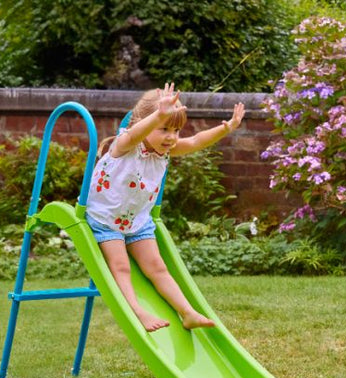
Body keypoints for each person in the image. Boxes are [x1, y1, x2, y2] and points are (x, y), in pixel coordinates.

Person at [85, 83, 245, 332]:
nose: (171, 137)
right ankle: (137, 311)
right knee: (120, 266)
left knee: (158, 267)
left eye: (176, 130)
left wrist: (227, 128)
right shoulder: (126, 144)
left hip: (137, 221)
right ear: (146, 122)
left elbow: (194, 141)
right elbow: (136, 134)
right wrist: (158, 114)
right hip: (105, 220)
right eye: (164, 129)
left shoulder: (164, 152)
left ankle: (187, 312)